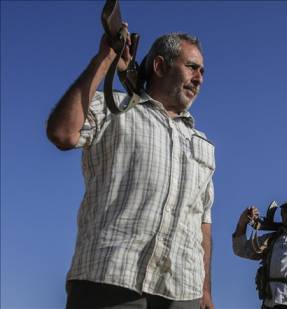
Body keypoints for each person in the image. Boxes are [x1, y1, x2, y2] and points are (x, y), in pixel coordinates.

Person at [46, 28, 215, 309]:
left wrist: (205, 289)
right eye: (191, 67)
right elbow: (62, 133)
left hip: (182, 290)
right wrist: (105, 58)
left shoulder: (203, 144)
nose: (199, 79)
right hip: (110, 278)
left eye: (203, 72)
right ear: (160, 66)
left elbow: (202, 221)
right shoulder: (115, 108)